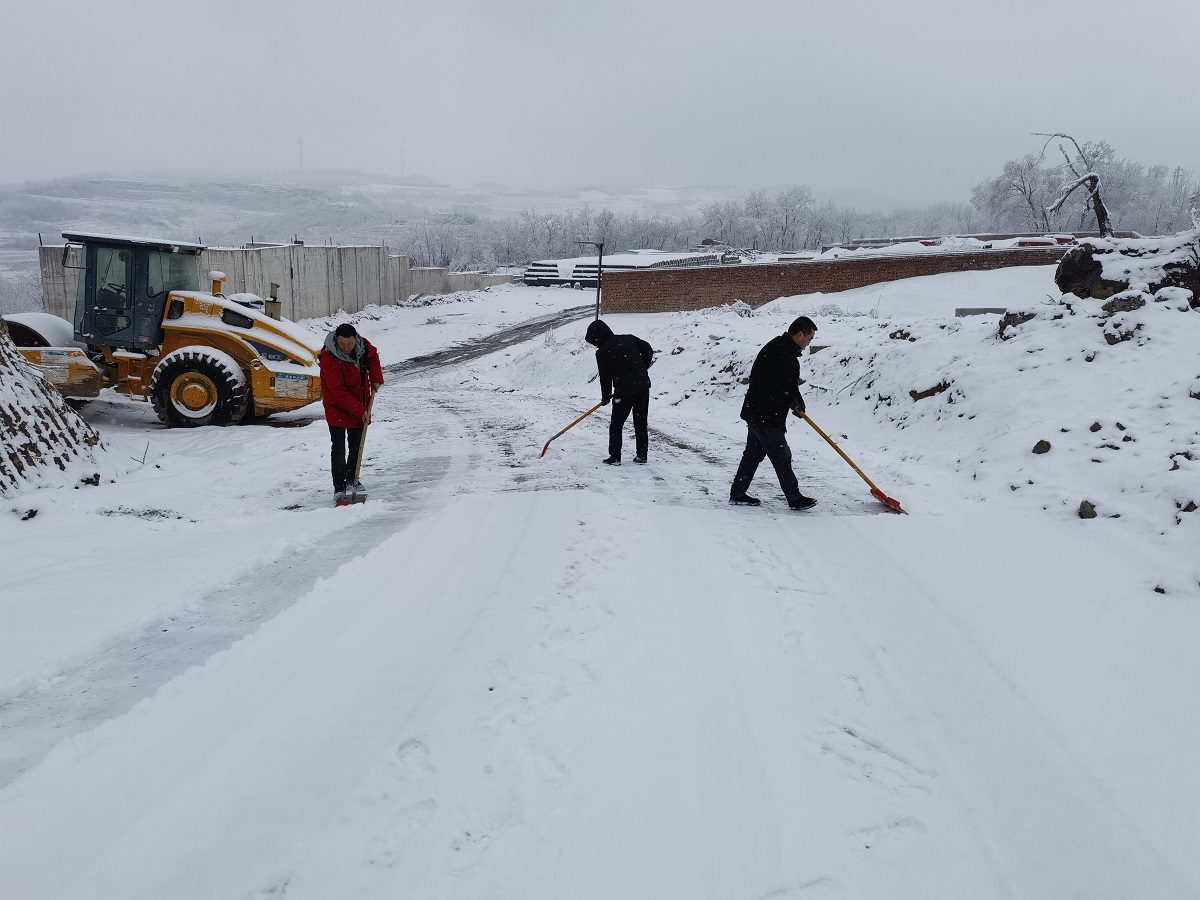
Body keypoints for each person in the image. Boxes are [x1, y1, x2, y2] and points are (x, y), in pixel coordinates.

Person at [729, 315, 818, 510]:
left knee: (753, 454)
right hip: (763, 414)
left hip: (761, 413)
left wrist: (798, 403)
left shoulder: (788, 351)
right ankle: (794, 498)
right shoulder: (777, 350)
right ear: (800, 334)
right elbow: (767, 383)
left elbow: (789, 385)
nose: (809, 343)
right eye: (809, 338)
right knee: (781, 455)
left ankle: (737, 492)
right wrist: (789, 400)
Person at [319, 322, 383, 500]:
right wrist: (359, 410)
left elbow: (373, 358)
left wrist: (376, 378)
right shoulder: (329, 359)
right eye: (342, 344)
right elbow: (338, 392)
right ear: (336, 340)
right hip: (336, 406)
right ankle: (339, 486)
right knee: (338, 447)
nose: (346, 348)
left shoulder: (364, 347)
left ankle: (352, 479)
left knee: (357, 445)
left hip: (360, 403)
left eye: (349, 344)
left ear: (356, 339)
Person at [584, 318, 654, 465]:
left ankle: (615, 457)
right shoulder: (629, 338)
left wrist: (605, 397)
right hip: (642, 387)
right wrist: (643, 368)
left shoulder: (602, 352)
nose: (595, 344)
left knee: (616, 424)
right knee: (640, 422)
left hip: (624, 391)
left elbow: (605, 377)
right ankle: (642, 455)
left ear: (598, 336)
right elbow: (648, 349)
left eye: (594, 341)